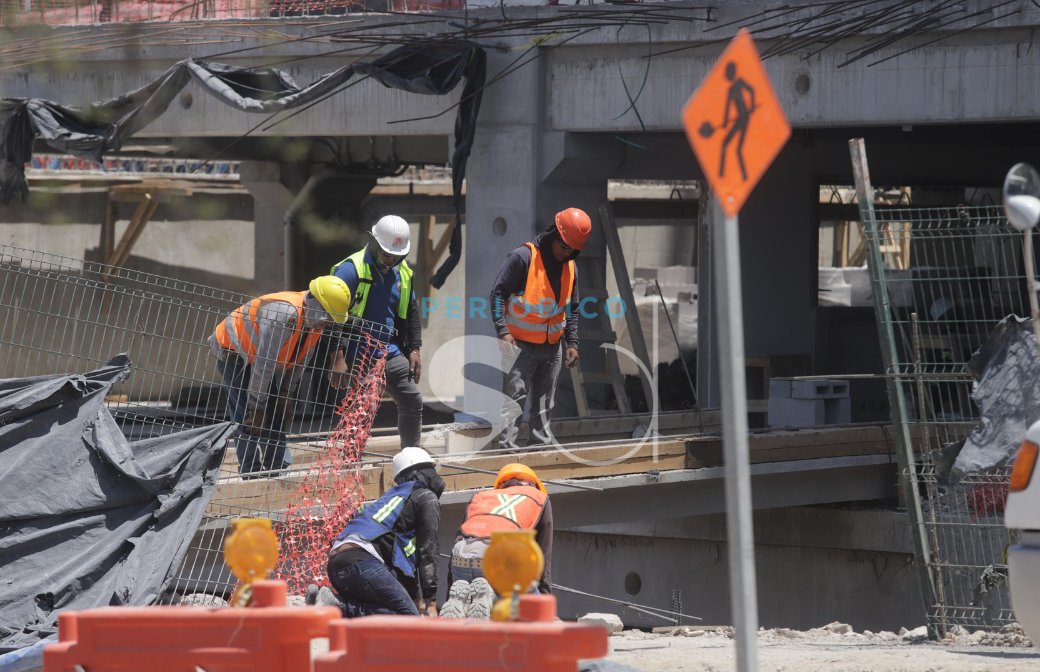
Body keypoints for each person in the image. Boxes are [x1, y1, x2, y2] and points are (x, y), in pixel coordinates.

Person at [209, 276, 350, 477]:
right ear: (317, 306)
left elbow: (302, 358)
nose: (327, 325)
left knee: (276, 410)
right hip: (233, 350)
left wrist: (285, 393)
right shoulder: (283, 314)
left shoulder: (315, 322)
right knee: (246, 414)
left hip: (259, 357)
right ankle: (250, 472)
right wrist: (256, 406)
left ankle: (275, 469)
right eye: (327, 318)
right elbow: (264, 365)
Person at [490, 207, 592, 450]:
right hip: (520, 345)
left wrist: (573, 342)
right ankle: (504, 452)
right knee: (513, 401)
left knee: (545, 404)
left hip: (552, 348)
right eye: (565, 247)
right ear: (554, 234)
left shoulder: (570, 266)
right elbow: (497, 294)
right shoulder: (523, 258)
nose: (568, 253)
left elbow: (572, 307)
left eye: (573, 251)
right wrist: (503, 331)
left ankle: (539, 451)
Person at [331, 215, 423, 448]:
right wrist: (338, 357)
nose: (391, 260)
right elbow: (332, 314)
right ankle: (351, 464)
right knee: (361, 410)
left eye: (397, 255)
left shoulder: (402, 273)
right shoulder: (350, 270)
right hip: (357, 354)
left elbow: (411, 312)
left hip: (388, 352)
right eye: (386, 254)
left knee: (412, 399)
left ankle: (411, 457)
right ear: (374, 243)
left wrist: (414, 348)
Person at [324, 446, 443, 617]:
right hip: (361, 561)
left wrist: (414, 598)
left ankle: (330, 603)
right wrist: (430, 601)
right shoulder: (426, 497)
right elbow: (428, 550)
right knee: (408, 617)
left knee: (390, 609)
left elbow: (401, 561)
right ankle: (338, 608)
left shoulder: (392, 500)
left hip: (337, 563)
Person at [440, 463, 553, 619]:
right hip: (498, 557)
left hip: (461, 558)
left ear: (501, 484)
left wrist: (449, 591)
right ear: (534, 485)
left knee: (467, 597)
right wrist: (544, 597)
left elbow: (460, 538)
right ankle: (491, 596)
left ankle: (464, 600)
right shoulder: (540, 498)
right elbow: (543, 555)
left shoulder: (482, 496)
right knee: (532, 612)